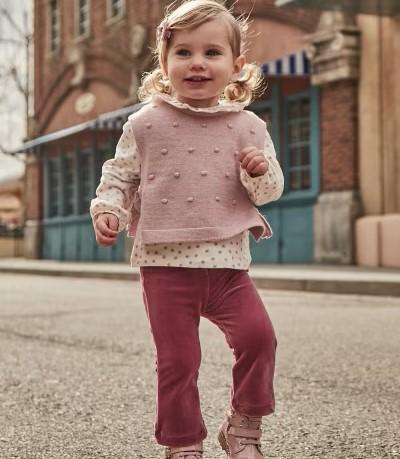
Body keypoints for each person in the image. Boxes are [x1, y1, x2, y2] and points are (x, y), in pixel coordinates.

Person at [90, 1, 284, 457]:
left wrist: (259, 170)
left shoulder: (249, 126)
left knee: (260, 339)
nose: (197, 62)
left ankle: (243, 427)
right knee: (178, 362)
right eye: (183, 53)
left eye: (212, 52)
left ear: (236, 67)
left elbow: (269, 191)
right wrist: (108, 209)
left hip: (229, 267)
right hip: (165, 267)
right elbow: (120, 175)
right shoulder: (145, 124)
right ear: (164, 62)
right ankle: (183, 444)